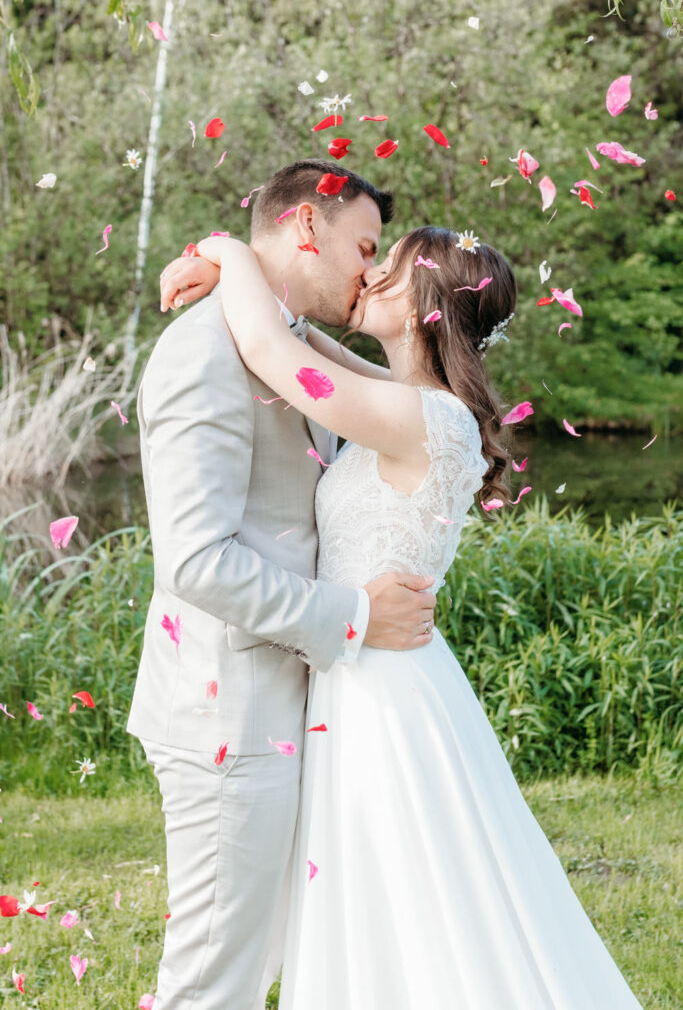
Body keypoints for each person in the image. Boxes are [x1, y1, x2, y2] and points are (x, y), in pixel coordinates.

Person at [174, 219, 645, 1009]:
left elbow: (269, 353)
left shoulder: (425, 419)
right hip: (368, 669)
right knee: (378, 891)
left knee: (411, 894)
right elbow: (301, 343)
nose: (366, 279)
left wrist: (224, 251)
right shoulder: (405, 401)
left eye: (385, 270)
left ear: (424, 300)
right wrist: (246, 281)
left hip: (382, 691)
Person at [127, 159, 439, 1010]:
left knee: (259, 954)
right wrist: (352, 615)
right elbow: (194, 561)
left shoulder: (280, 338)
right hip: (227, 709)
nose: (368, 272)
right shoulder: (204, 353)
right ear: (308, 227)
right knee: (213, 976)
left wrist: (225, 253)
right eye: (363, 247)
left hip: (285, 702)